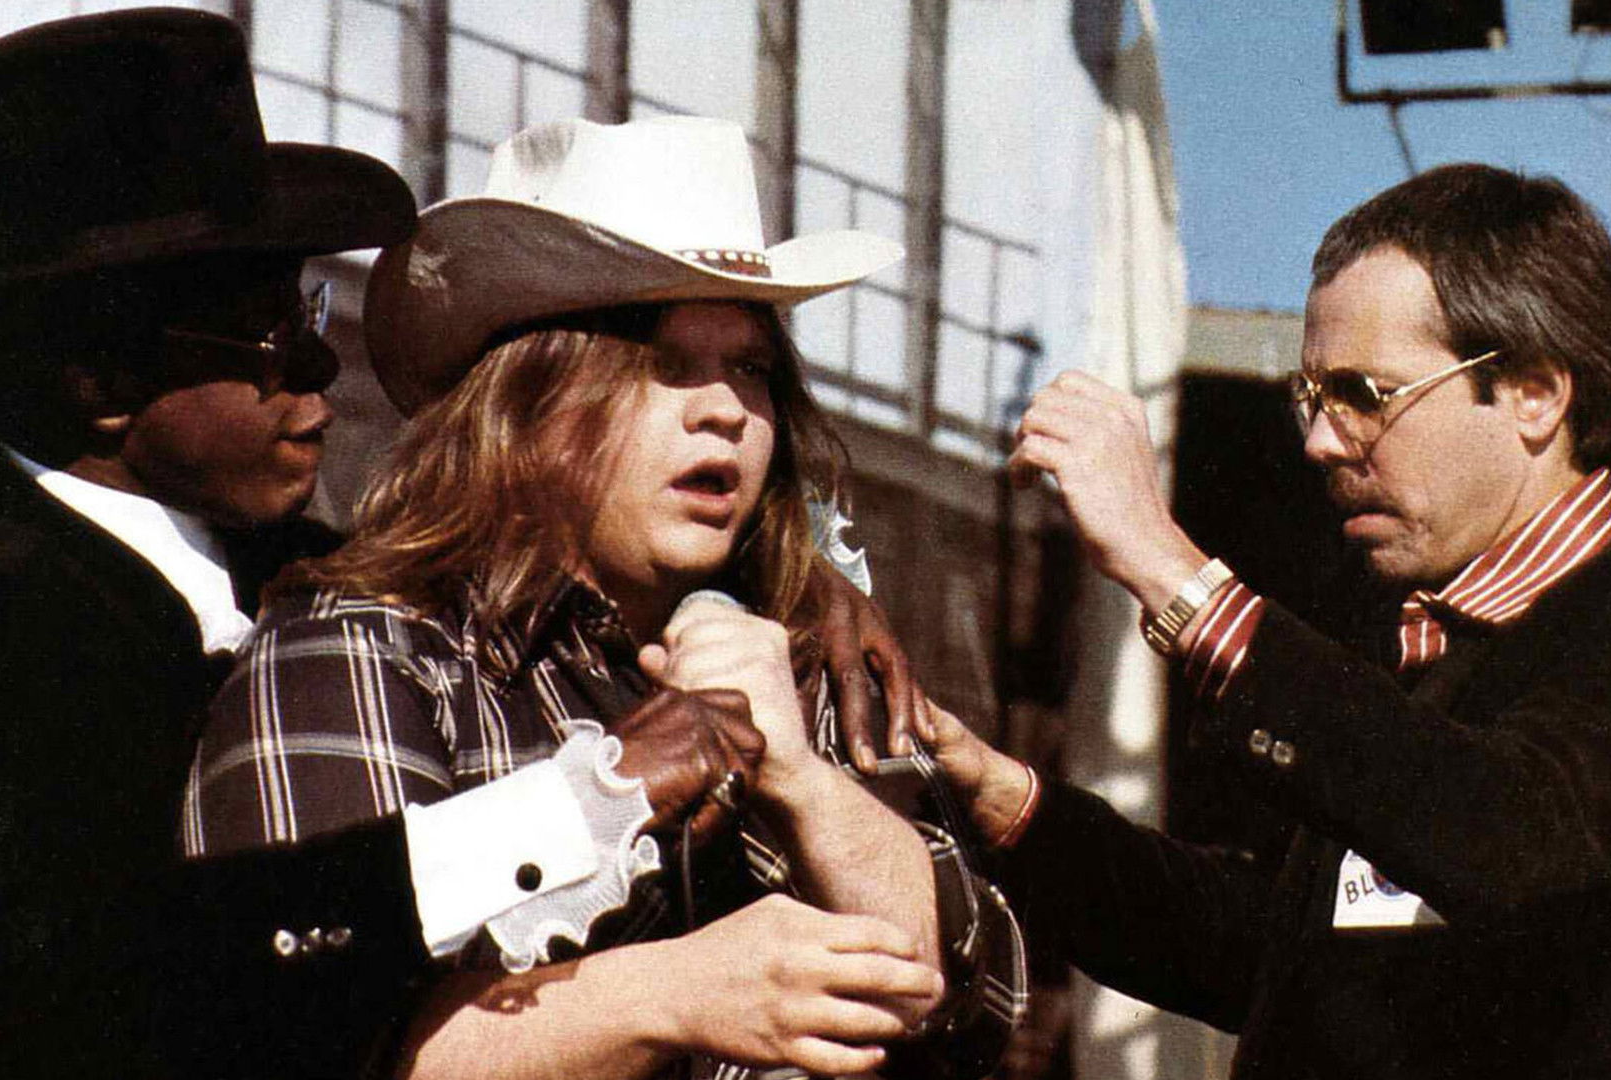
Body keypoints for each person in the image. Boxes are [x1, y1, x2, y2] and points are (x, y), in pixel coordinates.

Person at [0, 13, 885, 1078]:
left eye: (308, 311)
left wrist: (803, 582)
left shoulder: (196, 541)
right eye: (267, 335)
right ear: (101, 385)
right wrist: (588, 801)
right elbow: (88, 984)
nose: (318, 365)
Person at [186, 115, 1012, 1080]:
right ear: (526, 407)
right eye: (664, 367)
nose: (726, 411)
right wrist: (672, 999)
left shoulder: (797, 659)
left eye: (750, 369)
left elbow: (975, 1005)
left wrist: (800, 779)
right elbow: (308, 1037)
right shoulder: (365, 652)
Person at [914, 163, 1611, 1078]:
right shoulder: (1407, 643)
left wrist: (1171, 570)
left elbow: (1504, 836)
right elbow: (1264, 950)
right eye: (1310, 399)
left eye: (1363, 395)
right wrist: (1015, 808)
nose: (1320, 441)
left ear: (1535, 395)